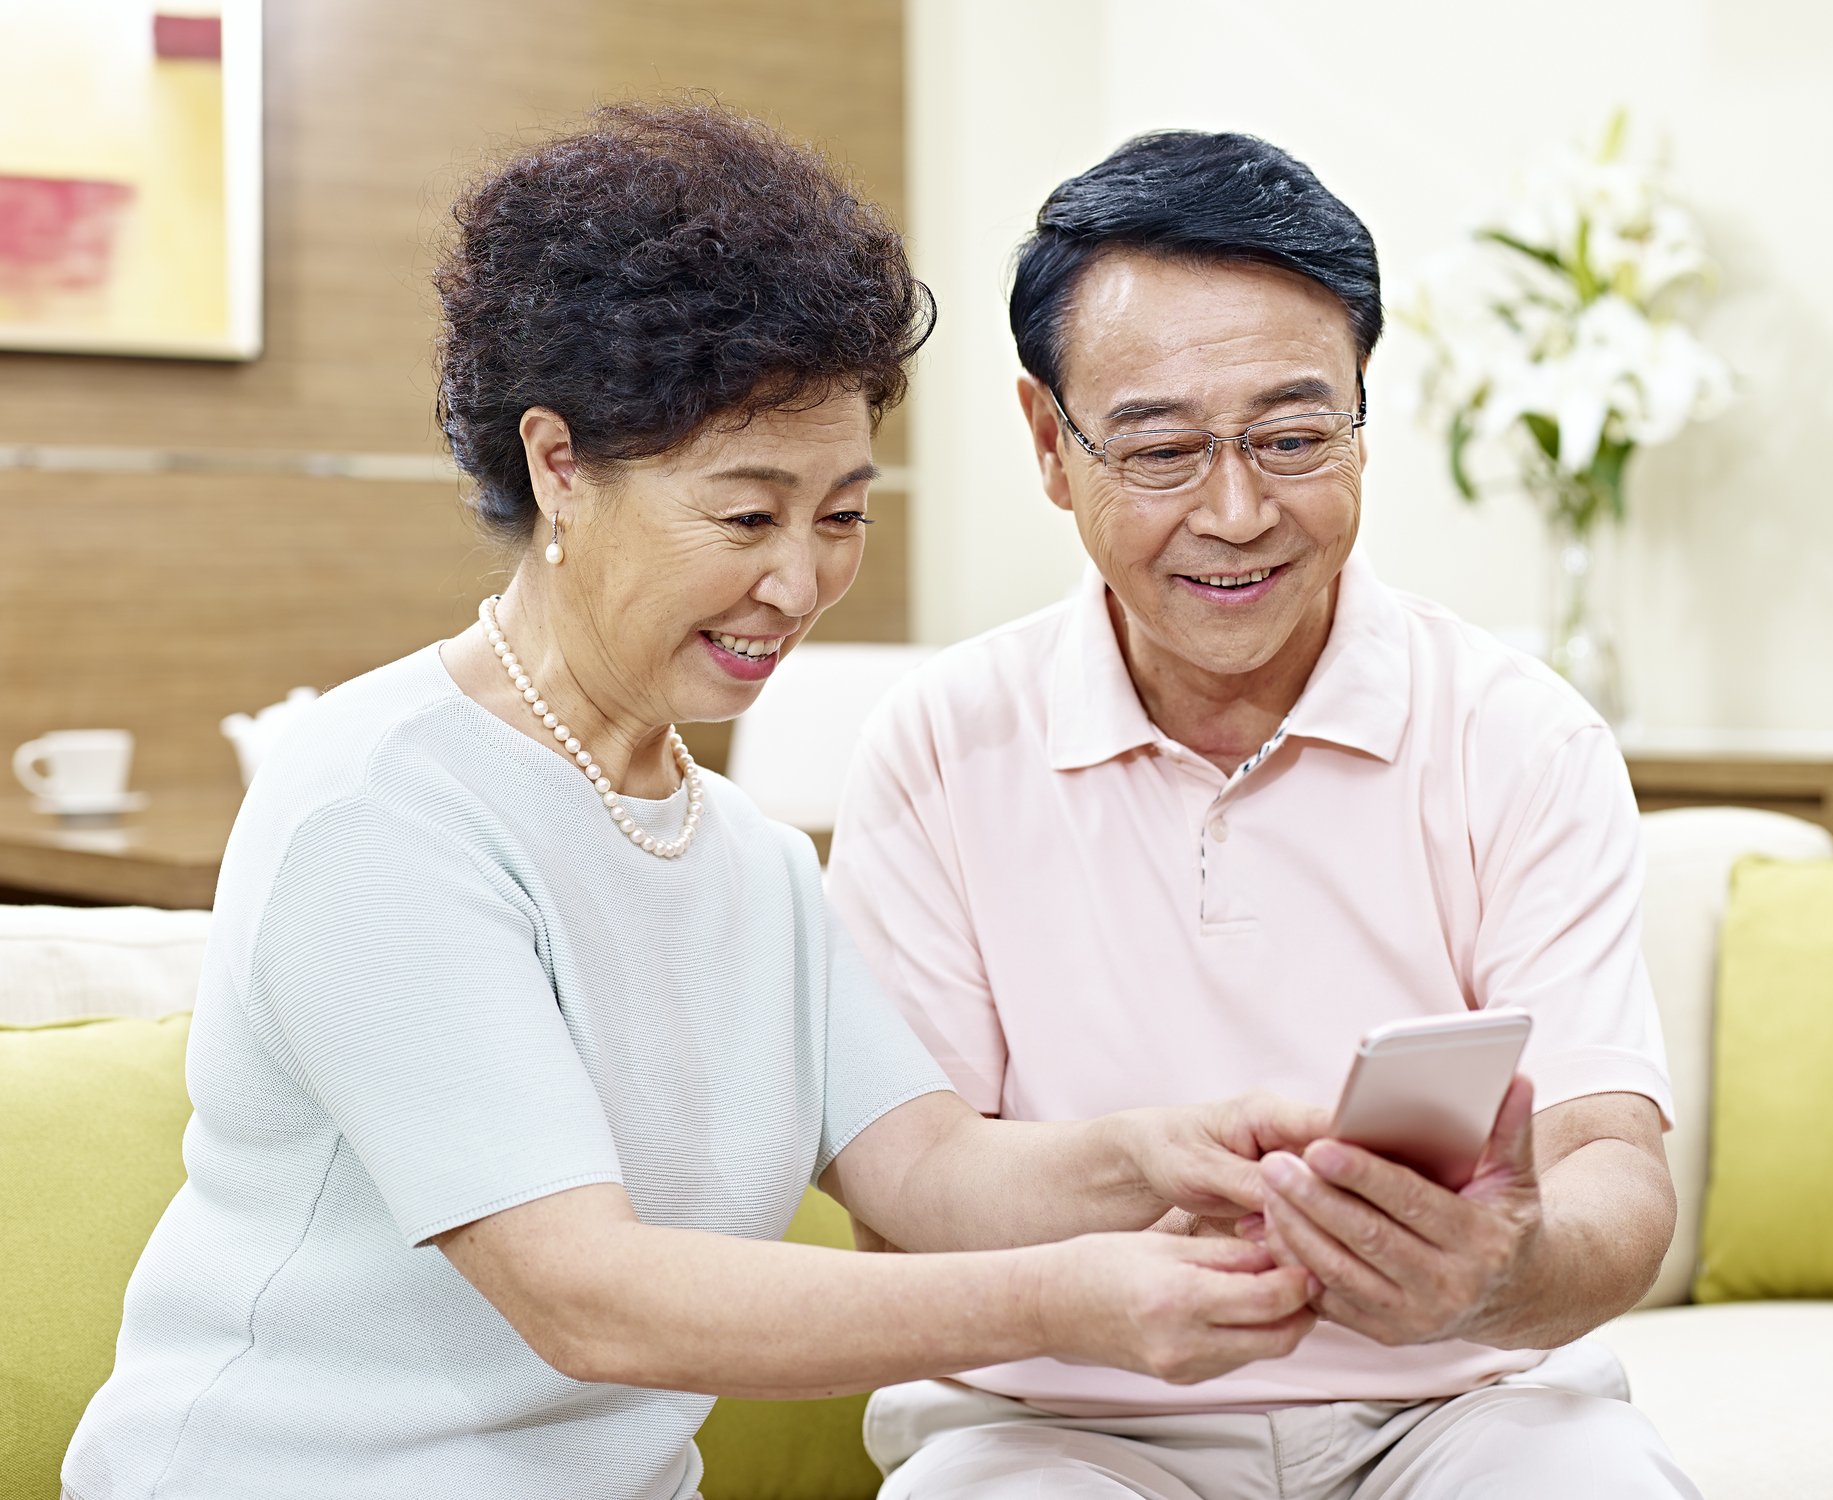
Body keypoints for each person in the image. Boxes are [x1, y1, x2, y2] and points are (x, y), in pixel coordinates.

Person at [59, 106, 1341, 1500]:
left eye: (841, 516)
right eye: (745, 517)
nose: (797, 583)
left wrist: (1157, 1156)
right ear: (560, 465)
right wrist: (1068, 1301)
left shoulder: (745, 855)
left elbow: (926, 1166)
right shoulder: (377, 806)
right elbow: (589, 1298)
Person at [826, 131, 1700, 1498]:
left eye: (1294, 438)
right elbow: (905, 1191)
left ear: (1363, 415)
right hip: (1064, 1425)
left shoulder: (1519, 734)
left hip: (1461, 1415)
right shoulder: (938, 748)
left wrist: (1495, 1278)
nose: (1237, 513)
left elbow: (1610, 1164)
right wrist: (1128, 1203)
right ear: (1050, 447)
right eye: (1162, 450)